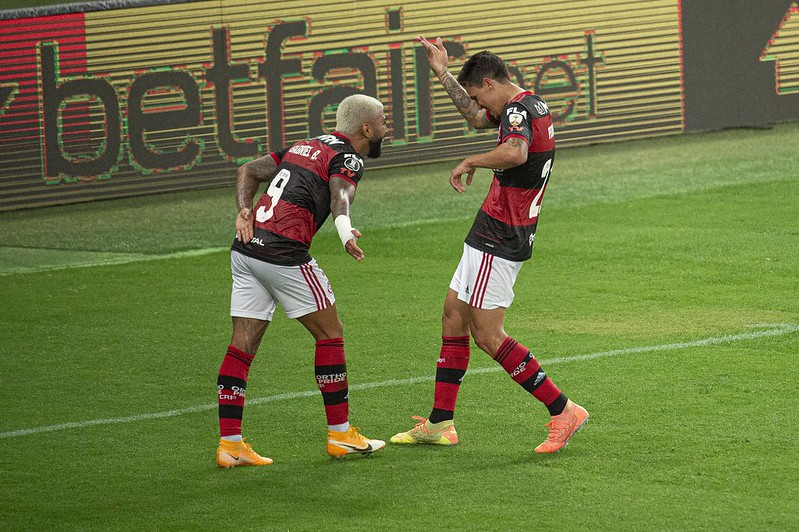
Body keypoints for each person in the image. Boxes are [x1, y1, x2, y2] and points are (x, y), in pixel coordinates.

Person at [391, 37, 589, 454]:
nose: (480, 105)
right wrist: (442, 72)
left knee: (487, 334)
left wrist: (470, 161)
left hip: (502, 235)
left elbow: (515, 152)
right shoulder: (527, 105)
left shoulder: (517, 111)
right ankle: (440, 423)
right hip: (490, 227)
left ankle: (563, 410)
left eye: (480, 95)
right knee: (453, 316)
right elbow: (475, 116)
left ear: (489, 83)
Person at [216, 93, 389, 467]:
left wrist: (244, 210)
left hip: (245, 250)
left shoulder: (303, 145)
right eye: (383, 121)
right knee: (330, 333)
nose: (386, 128)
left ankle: (230, 445)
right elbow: (340, 195)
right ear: (366, 128)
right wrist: (345, 232)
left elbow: (248, 170)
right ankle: (340, 435)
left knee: (242, 344)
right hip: (283, 254)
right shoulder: (347, 156)